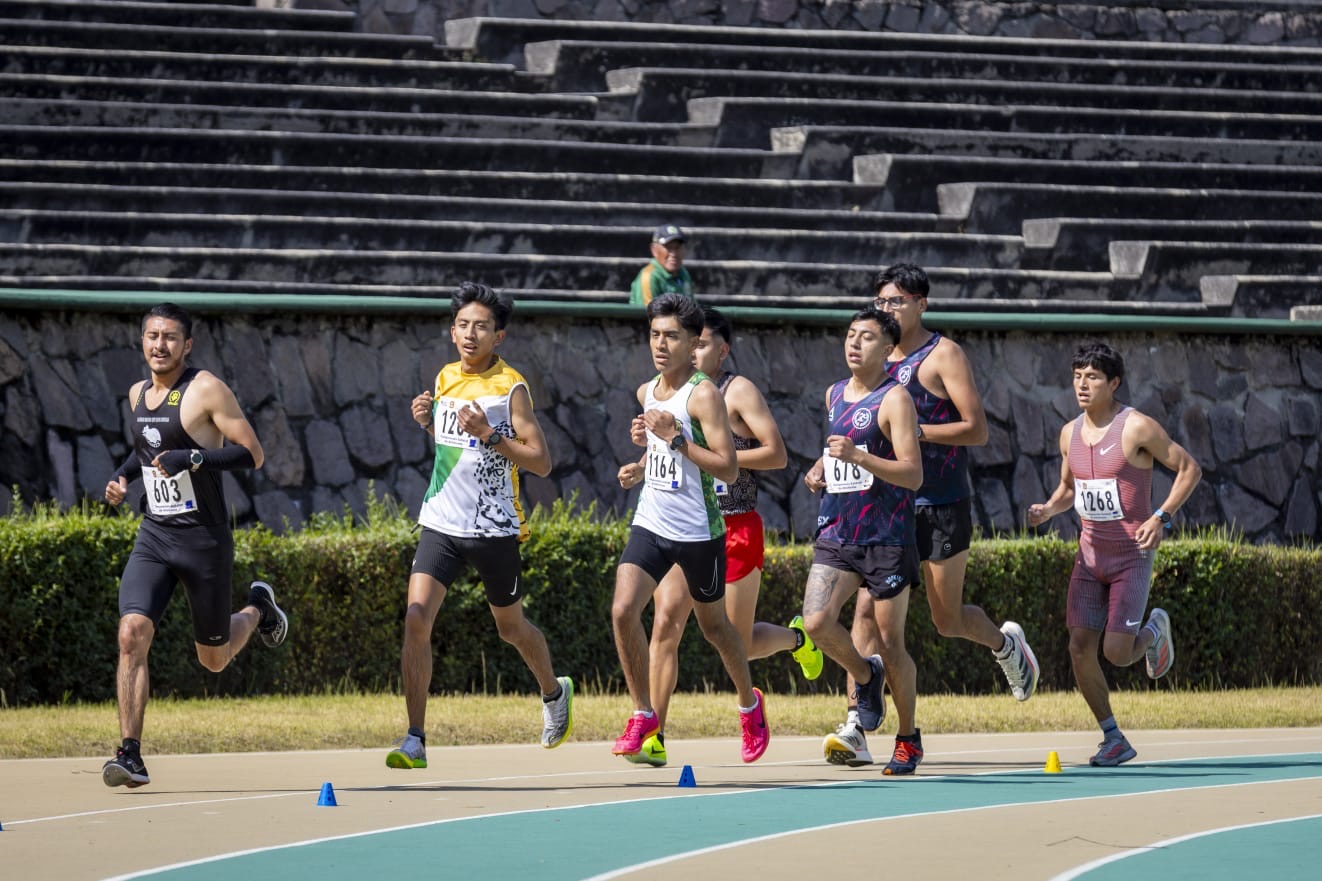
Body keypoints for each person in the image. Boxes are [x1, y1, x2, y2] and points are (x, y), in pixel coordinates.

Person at [822, 263, 1039, 769]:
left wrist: (916, 432)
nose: (886, 310)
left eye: (896, 302)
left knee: (946, 618)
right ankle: (857, 724)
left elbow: (977, 429)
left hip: (938, 502)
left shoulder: (943, 355)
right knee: (864, 614)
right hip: (881, 508)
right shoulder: (872, 357)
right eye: (881, 302)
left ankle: (1005, 645)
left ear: (922, 304)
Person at [618, 306, 820, 767]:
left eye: (695, 341)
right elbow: (669, 453)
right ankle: (654, 732)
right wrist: (645, 463)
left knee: (732, 637)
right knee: (664, 622)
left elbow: (775, 454)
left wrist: (701, 448)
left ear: (711, 348)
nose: (666, 345)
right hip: (670, 521)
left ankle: (795, 641)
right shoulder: (653, 391)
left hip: (729, 525)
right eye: (656, 335)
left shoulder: (733, 391)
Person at [386, 282, 572, 770]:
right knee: (415, 620)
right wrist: (428, 423)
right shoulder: (445, 377)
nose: (471, 334)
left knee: (510, 628)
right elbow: (455, 449)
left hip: (494, 528)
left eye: (482, 327)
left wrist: (490, 434)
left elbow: (541, 461)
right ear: (452, 332)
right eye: (464, 326)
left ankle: (553, 693)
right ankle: (415, 738)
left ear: (499, 336)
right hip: (441, 522)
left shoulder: (511, 387)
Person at [101, 303, 288, 788]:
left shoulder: (206, 389)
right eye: (151, 336)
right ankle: (130, 754)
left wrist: (194, 458)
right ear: (142, 341)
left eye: (169, 338)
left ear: (187, 345)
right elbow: (146, 450)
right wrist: (122, 478)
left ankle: (258, 609)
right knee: (131, 634)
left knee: (215, 659)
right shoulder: (138, 393)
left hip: (203, 541)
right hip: (155, 537)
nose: (159, 346)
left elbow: (253, 453)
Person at [1027, 342, 1201, 767]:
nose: (1082, 386)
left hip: (1131, 555)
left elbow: (1189, 468)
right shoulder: (1069, 433)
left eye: (1093, 378)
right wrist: (1049, 509)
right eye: (1077, 377)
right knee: (1079, 647)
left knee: (1117, 653)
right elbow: (1069, 490)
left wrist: (1161, 516)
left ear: (1114, 382)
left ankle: (1154, 630)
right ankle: (1113, 737)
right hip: (1089, 557)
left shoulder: (1136, 428)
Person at [801, 305, 925, 775]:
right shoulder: (834, 393)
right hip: (837, 530)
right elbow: (839, 449)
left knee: (892, 643)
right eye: (851, 335)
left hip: (887, 537)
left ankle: (908, 738)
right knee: (815, 623)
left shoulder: (896, 400)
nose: (854, 343)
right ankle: (864, 673)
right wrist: (821, 468)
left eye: (867, 337)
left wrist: (857, 456)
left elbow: (912, 474)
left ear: (888, 349)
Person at [629, 224, 694, 306]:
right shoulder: (649, 276)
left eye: (677, 247)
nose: (673, 254)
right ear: (654, 250)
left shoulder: (683, 273)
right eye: (668, 247)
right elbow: (647, 315)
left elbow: (692, 307)